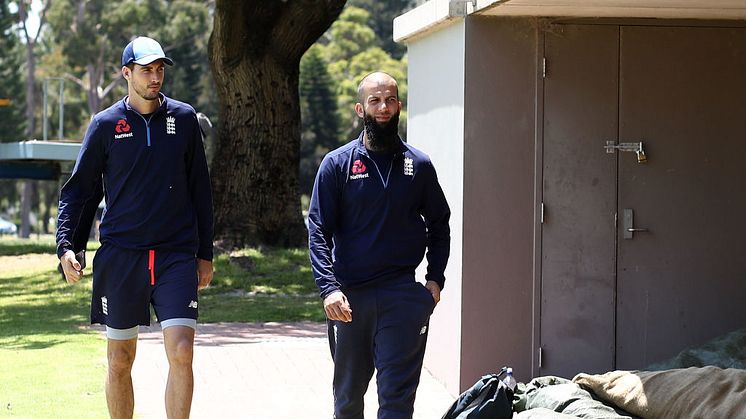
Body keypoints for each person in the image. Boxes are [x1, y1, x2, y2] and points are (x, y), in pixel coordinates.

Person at [56, 36, 214, 419]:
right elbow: (80, 192)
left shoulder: (185, 119)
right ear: (126, 73)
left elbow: (200, 191)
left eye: (160, 69)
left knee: (182, 350)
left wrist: (205, 254)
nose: (155, 77)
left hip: (176, 255)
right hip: (121, 257)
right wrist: (66, 246)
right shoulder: (106, 124)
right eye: (146, 70)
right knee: (120, 359)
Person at [308, 71, 451, 419]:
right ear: (361, 108)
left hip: (402, 297)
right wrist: (328, 289)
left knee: (397, 402)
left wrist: (434, 281)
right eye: (375, 100)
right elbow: (318, 230)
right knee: (348, 401)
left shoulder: (418, 165)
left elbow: (439, 224)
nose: (383, 107)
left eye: (390, 100)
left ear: (399, 105)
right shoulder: (337, 165)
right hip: (349, 299)